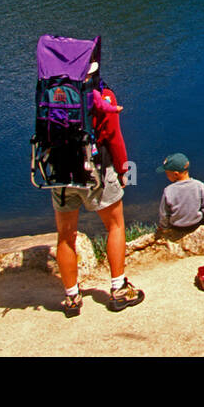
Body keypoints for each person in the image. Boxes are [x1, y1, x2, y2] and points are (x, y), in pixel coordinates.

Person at [51, 61, 144, 317]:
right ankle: (118, 290)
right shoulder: (103, 95)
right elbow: (114, 137)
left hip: (60, 173)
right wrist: (123, 170)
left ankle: (71, 298)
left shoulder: (53, 95)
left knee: (65, 234)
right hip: (96, 170)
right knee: (115, 225)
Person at [156, 152, 204, 238]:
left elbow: (164, 214)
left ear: (176, 174)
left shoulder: (168, 190)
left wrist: (164, 227)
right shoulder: (200, 186)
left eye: (167, 173)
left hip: (177, 227)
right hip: (195, 225)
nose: (166, 176)